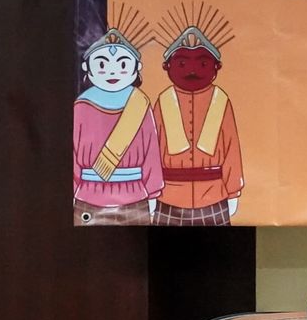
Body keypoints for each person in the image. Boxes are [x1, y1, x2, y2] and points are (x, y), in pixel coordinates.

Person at [151, 21, 244, 226]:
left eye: (202, 63)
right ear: (168, 67)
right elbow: (152, 149)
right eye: (182, 64)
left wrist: (233, 191)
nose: (192, 70)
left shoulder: (221, 100)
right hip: (169, 195)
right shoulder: (164, 101)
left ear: (216, 67)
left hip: (214, 194)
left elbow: (231, 147)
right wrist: (152, 190)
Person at [72, 26, 164, 225]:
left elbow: (151, 152)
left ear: (136, 68)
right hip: (88, 197)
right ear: (87, 67)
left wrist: (153, 192)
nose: (112, 71)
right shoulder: (81, 106)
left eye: (122, 64)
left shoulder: (140, 104)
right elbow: (72, 153)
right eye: (102, 64)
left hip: (135, 197)